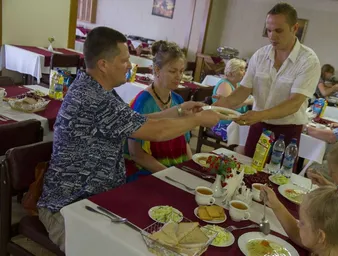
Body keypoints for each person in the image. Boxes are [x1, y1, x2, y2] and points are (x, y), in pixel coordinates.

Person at [36, 27, 220, 251]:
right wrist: (198, 120)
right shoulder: (94, 98)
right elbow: (156, 132)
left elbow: (136, 120)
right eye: (124, 61)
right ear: (103, 65)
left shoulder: (97, 89)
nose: (129, 66)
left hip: (100, 199)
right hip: (69, 208)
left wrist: (181, 111)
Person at [213, 3, 320, 164]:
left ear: (295, 28)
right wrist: (221, 104)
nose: (272, 36)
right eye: (269, 30)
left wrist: (260, 115)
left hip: (287, 131)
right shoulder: (260, 55)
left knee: (276, 179)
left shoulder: (308, 60)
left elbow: (294, 103)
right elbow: (244, 89)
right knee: (247, 171)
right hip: (258, 126)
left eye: (278, 30)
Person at [124, 41, 193, 182]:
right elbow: (136, 153)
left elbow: (185, 143)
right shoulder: (143, 103)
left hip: (174, 169)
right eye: (172, 71)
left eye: (181, 71)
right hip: (147, 173)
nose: (179, 76)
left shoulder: (178, 100)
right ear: (156, 70)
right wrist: (169, 175)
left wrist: (190, 168)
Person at [261, 185, 338, 255]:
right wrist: (276, 205)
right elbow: (299, 236)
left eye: (302, 223)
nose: (298, 225)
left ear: (321, 236)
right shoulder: (331, 247)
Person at [211, 58, 252, 141]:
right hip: (224, 123)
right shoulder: (225, 84)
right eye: (241, 69)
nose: (245, 72)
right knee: (247, 138)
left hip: (237, 122)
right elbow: (228, 108)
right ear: (231, 72)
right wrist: (249, 101)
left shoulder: (239, 85)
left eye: (244, 69)